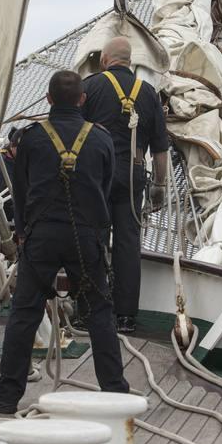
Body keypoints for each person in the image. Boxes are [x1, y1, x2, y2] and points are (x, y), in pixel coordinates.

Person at [0, 69, 128, 414]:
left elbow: (20, 192)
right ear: (82, 99)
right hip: (86, 236)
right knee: (98, 314)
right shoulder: (102, 139)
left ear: (48, 99)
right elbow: (107, 189)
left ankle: (6, 396)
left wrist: (21, 233)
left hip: (41, 236)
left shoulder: (30, 139)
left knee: (25, 313)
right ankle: (116, 392)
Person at [81, 37, 169, 334]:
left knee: (93, 239)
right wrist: (159, 185)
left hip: (96, 176)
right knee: (128, 244)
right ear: (129, 61)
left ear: (105, 59)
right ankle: (126, 317)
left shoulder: (90, 87)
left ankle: (89, 311)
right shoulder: (148, 93)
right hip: (133, 175)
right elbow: (160, 147)